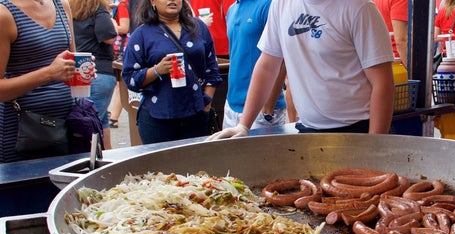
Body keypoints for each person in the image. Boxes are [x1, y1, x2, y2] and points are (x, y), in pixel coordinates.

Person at [208, 0, 395, 139]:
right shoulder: (282, 4)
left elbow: (382, 83)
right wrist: (244, 125)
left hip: (358, 129)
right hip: (307, 129)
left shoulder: (360, 9)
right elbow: (267, 65)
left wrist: (374, 144)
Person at [121, 0, 222, 144]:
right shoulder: (142, 34)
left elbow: (212, 68)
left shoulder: (199, 27)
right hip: (157, 117)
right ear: (153, 2)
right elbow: (130, 77)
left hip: (196, 113)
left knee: (195, 164)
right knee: (161, 166)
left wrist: (207, 101)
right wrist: (157, 70)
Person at [0, 0, 78, 162]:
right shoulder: (4, 14)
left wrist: (83, 69)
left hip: (66, 128)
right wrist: (49, 73)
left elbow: (71, 59)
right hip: (24, 135)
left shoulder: (61, 5)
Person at [223, 0, 287, 130]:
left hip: (262, 111)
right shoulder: (231, 9)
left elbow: (281, 58)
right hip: (231, 105)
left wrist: (268, 108)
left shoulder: (269, 5)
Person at [70, 0, 118, 149]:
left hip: (80, 70)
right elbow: (109, 36)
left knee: (99, 121)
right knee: (91, 123)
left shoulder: (70, 9)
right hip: (99, 71)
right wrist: (112, 21)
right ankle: (96, 165)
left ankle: (107, 162)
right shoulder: (98, 9)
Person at [108, 0, 129, 130]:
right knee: (120, 85)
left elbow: (124, 28)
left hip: (122, 48)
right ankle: (113, 117)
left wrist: (112, 23)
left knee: (120, 84)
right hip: (126, 47)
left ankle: (113, 117)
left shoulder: (123, 5)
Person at [375, 0, 409, 68]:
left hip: (380, 60)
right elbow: (401, 40)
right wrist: (411, 70)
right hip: (398, 62)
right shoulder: (401, 1)